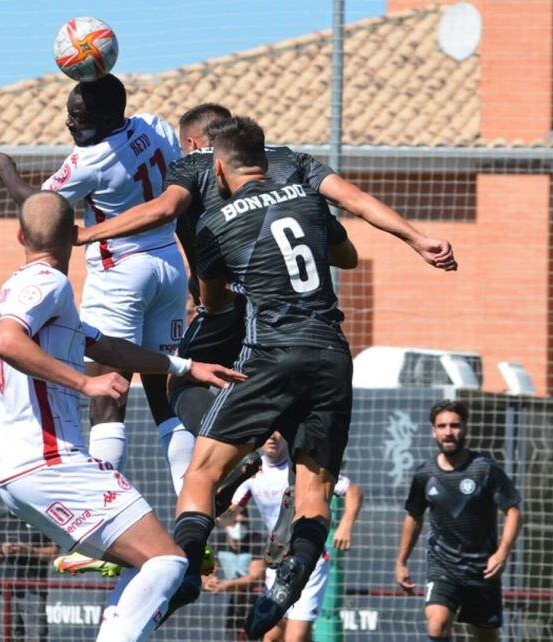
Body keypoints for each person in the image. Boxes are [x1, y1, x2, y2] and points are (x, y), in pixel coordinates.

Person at [76, 102, 456, 436]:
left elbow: (163, 210)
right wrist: (416, 239)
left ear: (197, 146)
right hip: (313, 319)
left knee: (183, 381)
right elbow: (352, 211)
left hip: (240, 308)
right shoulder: (292, 160)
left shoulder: (193, 166)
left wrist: (86, 234)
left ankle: (226, 451)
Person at [0, 192, 245, 642]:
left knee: (148, 563)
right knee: (168, 561)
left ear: (19, 236)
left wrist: (184, 366)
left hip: (25, 469)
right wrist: (85, 384)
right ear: (75, 235)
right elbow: (7, 342)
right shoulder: (49, 282)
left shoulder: (34, 292)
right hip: (51, 463)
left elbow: (103, 344)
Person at [166, 116, 363, 638]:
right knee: (315, 490)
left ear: (215, 163)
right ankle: (291, 576)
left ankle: (185, 565)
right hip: (332, 353)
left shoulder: (215, 220)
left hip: (272, 353)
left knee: (202, 473)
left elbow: (214, 303)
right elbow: (349, 256)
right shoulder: (306, 196)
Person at [0, 74, 194, 499]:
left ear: (109, 116)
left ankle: (105, 515)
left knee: (107, 396)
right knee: (164, 391)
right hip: (170, 266)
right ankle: (194, 512)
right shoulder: (156, 126)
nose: (70, 125)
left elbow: (41, 208)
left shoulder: (90, 161)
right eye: (69, 116)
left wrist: (8, 174)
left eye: (79, 118)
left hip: (121, 274)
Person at [395, 400, 523, 642]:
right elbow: (414, 516)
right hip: (443, 565)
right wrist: (401, 561)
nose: (448, 432)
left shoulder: (484, 469)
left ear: (464, 428)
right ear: (433, 431)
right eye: (441, 426)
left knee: (485, 636)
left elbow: (514, 512)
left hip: (482, 569)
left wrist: (502, 553)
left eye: (454, 425)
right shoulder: (425, 475)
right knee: (437, 622)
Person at [218, 434, 364, 642]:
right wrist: (208, 516)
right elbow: (228, 515)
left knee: (295, 638)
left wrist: (346, 525)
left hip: (309, 562)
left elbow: (353, 490)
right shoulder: (252, 474)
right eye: (268, 433)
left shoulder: (303, 468)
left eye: (279, 433)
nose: (273, 438)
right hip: (277, 561)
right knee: (271, 635)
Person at [0, 504, 58, 642]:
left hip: (33, 587)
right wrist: (2, 551)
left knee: (37, 633)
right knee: (7, 634)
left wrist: (29, 551)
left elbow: (54, 553)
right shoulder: (1, 520)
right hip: (4, 589)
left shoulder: (41, 520)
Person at [202, 511, 263, 641]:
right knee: (232, 635)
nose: (240, 526)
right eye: (236, 522)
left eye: (244, 522)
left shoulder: (257, 540)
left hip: (258, 598)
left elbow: (255, 576)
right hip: (235, 600)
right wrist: (210, 580)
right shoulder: (215, 540)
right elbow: (206, 567)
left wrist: (227, 584)